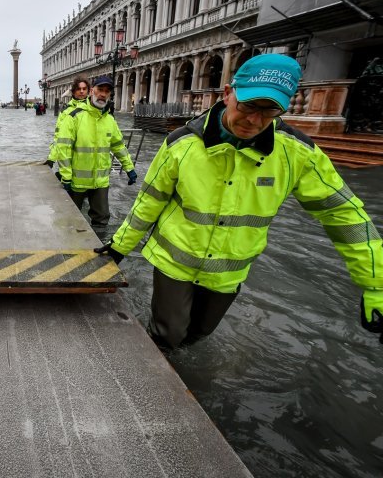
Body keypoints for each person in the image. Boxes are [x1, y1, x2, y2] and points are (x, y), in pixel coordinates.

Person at [96, 54, 383, 349]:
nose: (254, 120)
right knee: (167, 335)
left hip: (227, 272)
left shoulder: (298, 154)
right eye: (247, 106)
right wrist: (120, 246)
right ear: (228, 94)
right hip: (175, 262)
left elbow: (344, 214)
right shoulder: (181, 143)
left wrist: (377, 285)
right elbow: (149, 202)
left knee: (199, 333)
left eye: (270, 111)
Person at [56, 75, 137, 230]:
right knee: (70, 220)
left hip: (100, 181)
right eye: (100, 89)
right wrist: (66, 176)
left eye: (107, 91)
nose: (103, 94)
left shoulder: (109, 120)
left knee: (101, 221)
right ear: (92, 91)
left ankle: (96, 251)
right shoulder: (74, 116)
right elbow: (63, 148)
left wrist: (129, 167)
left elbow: (118, 145)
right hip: (76, 182)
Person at [46, 77, 91, 168]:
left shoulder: (93, 110)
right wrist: (52, 158)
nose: (82, 91)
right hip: (69, 157)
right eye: (79, 89)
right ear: (73, 91)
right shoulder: (65, 112)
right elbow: (58, 136)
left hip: (89, 158)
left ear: (88, 91)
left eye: (84, 89)